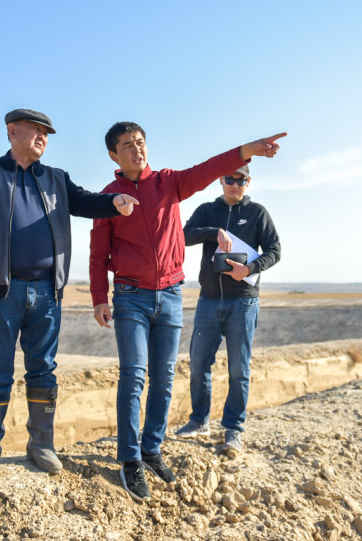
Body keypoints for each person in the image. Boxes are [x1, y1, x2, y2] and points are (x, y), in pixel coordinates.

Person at [90, 122, 287, 501]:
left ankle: (152, 449)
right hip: (131, 296)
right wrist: (100, 296)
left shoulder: (168, 183)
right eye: (128, 145)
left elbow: (208, 168)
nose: (137, 149)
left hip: (171, 295)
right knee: (134, 376)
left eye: (141, 142)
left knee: (164, 378)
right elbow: (98, 252)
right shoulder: (108, 198)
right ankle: (130, 460)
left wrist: (248, 149)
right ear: (114, 154)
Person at [0, 109, 138, 475]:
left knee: (43, 370)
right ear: (12, 131)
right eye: (35, 130)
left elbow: (85, 201)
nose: (42, 137)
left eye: (46, 133)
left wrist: (113, 202)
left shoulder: (56, 178)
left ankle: (42, 445)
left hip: (47, 292)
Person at [175, 164, 281, 458]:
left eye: (240, 180)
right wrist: (215, 232)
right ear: (220, 180)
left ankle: (233, 429)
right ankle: (199, 420)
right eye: (229, 179)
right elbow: (183, 235)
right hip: (208, 299)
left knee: (238, 368)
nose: (235, 184)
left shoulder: (258, 213)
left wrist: (250, 268)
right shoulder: (207, 210)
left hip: (243, 301)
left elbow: (275, 250)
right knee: (198, 364)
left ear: (248, 181)